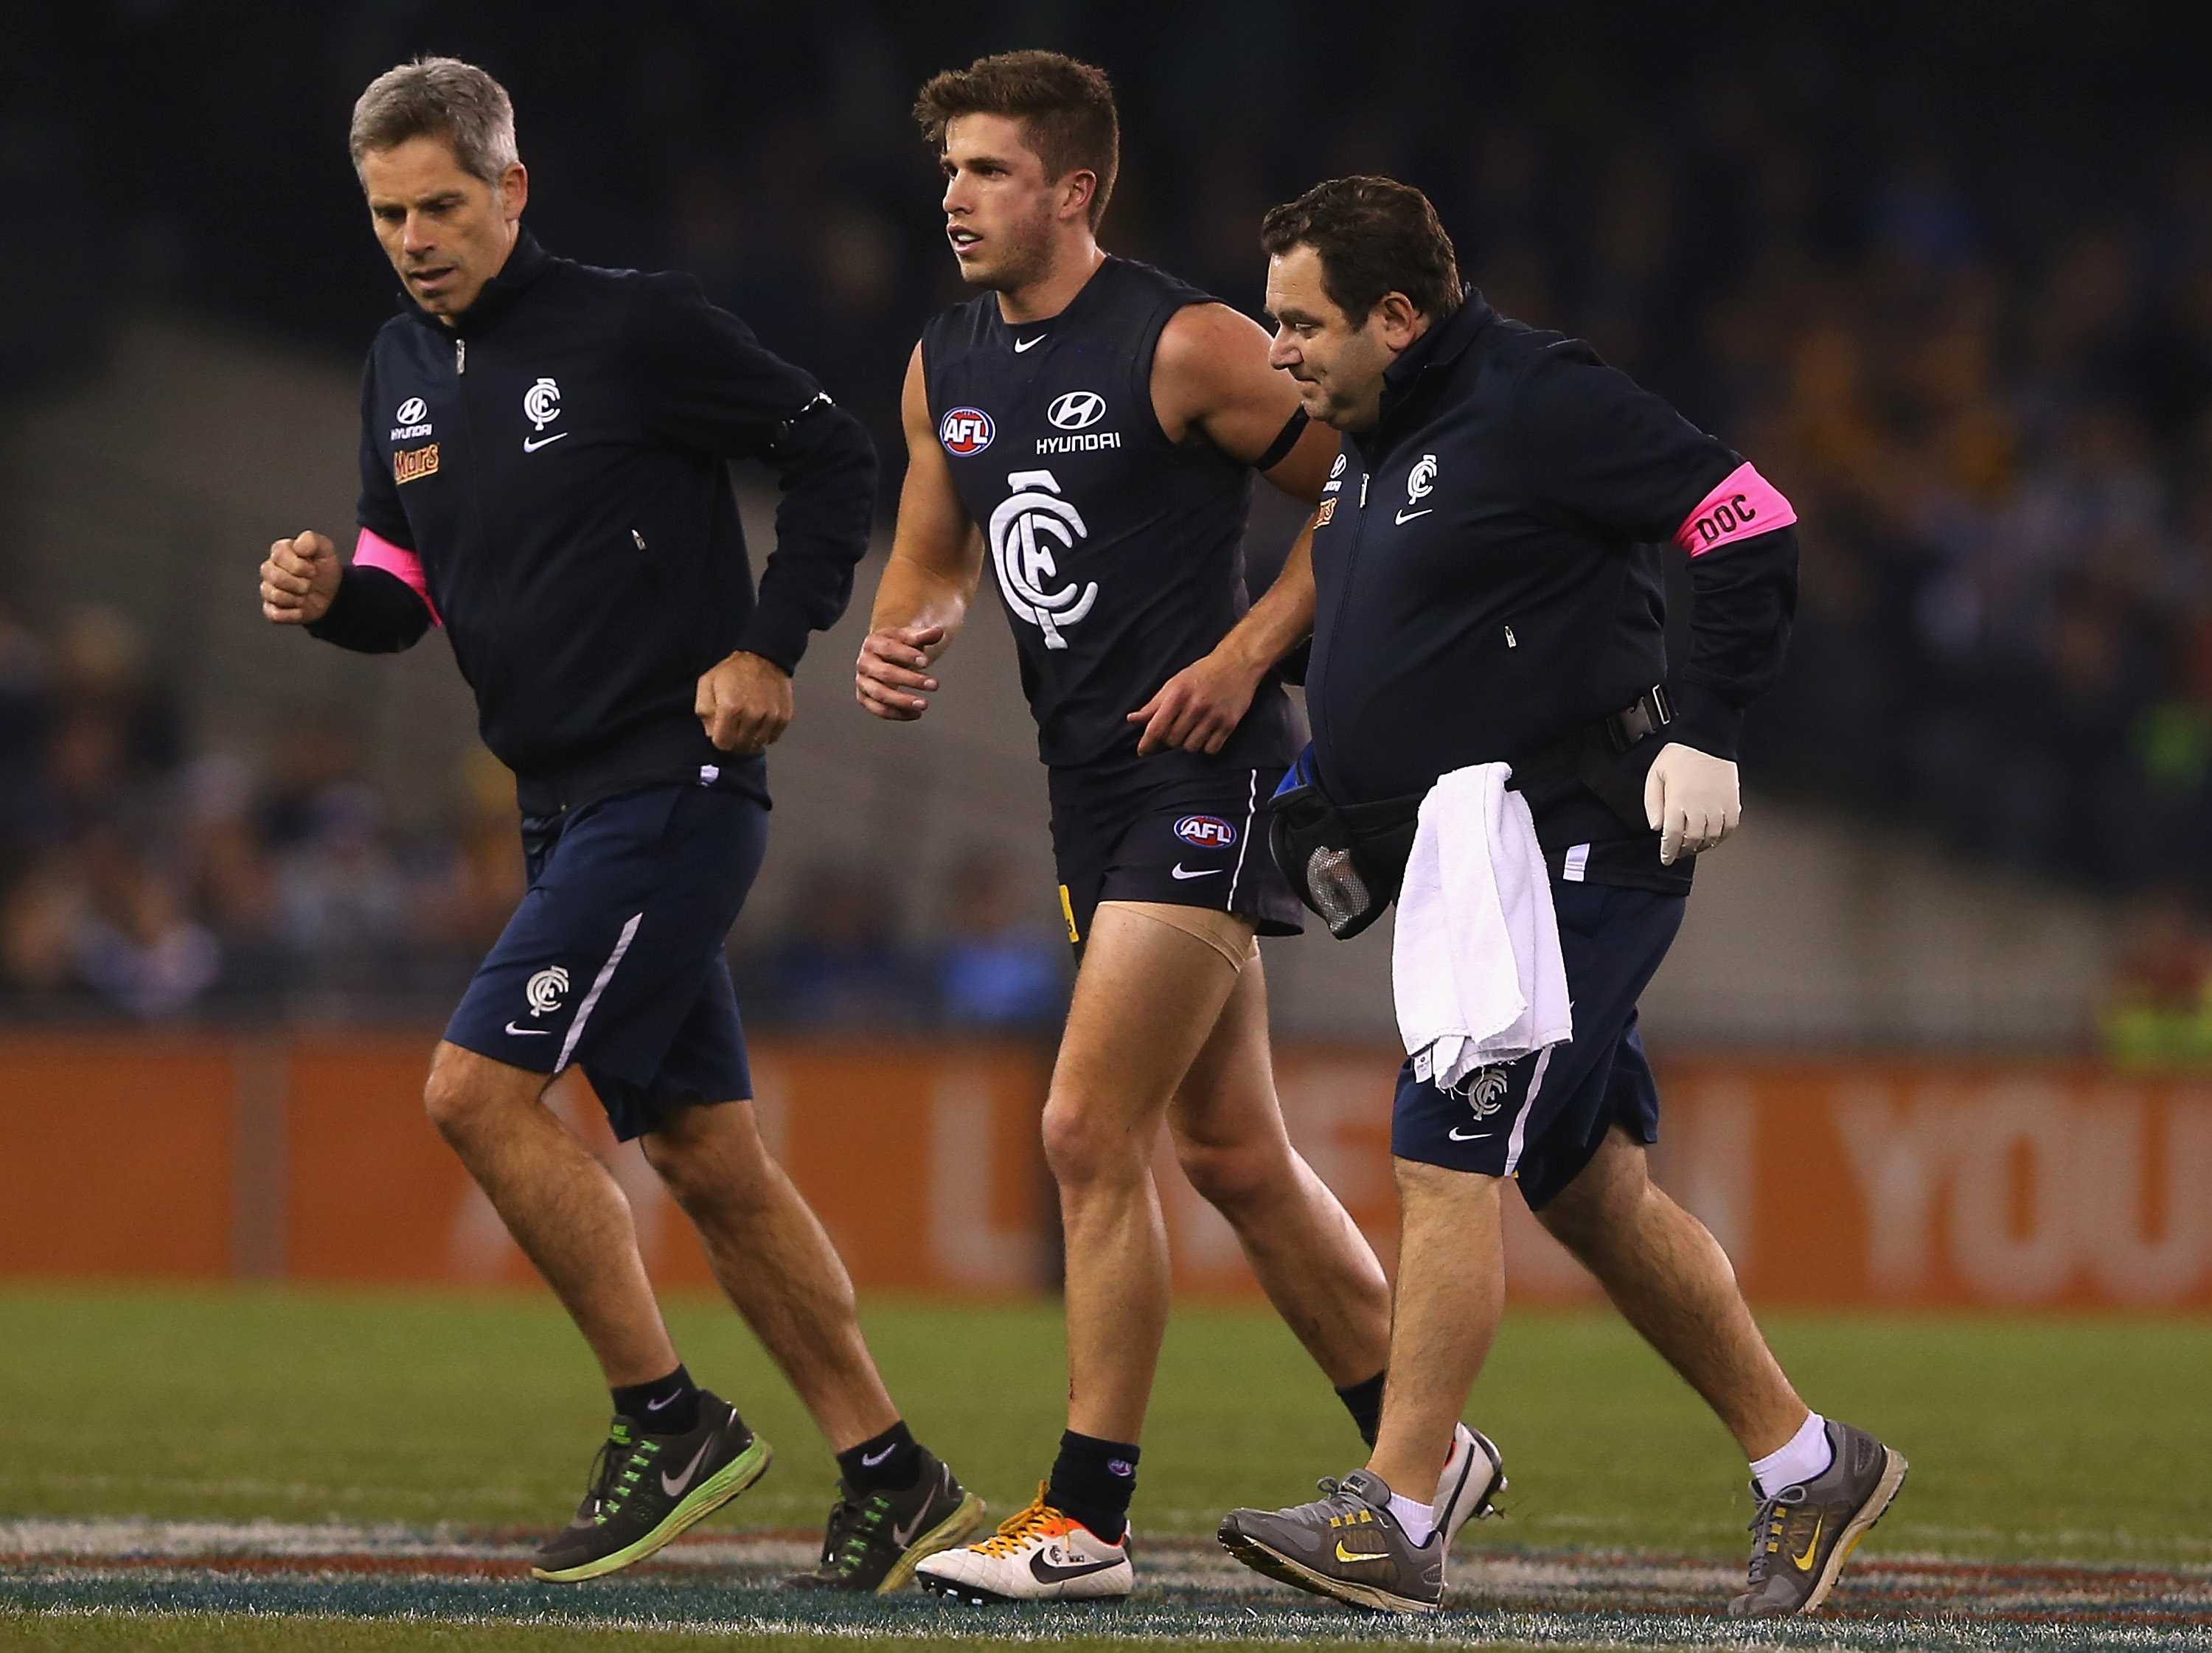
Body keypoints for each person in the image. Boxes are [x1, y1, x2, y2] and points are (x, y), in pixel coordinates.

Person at [257, 56, 982, 1593]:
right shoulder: (398, 366)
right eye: (386, 213)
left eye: (440, 205)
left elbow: (834, 452)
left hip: (671, 785)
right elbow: (403, 586)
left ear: (511, 189)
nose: (413, 239)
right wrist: (333, 598)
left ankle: (667, 1420)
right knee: (710, 1156)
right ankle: (892, 1471)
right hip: (558, 801)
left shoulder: (632, 326)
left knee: (473, 1093)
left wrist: (769, 646)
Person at [854, 53, 1500, 1605]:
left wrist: (1246, 652)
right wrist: (903, 626)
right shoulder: (944, 364)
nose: (955, 196)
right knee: (1232, 1150)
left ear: (1074, 189)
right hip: (1087, 789)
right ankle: (1425, 1450)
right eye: (949, 170)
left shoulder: (1187, 341)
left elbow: (1373, 484)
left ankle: (1086, 1516)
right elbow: (932, 551)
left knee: (1086, 1128)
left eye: (990, 170)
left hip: (1202, 783)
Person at [1214, 177, 1906, 1618]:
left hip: (1571, 838)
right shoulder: (1375, 436)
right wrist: (1330, 791)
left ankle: (1401, 1508)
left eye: (1301, 322)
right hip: (1478, 859)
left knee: (1445, 1136)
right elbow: (1423, 636)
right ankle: (1809, 1461)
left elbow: (1749, 516)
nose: (1277, 349)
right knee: (1585, 1184)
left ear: (1397, 316)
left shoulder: (1536, 397)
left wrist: (1710, 726)